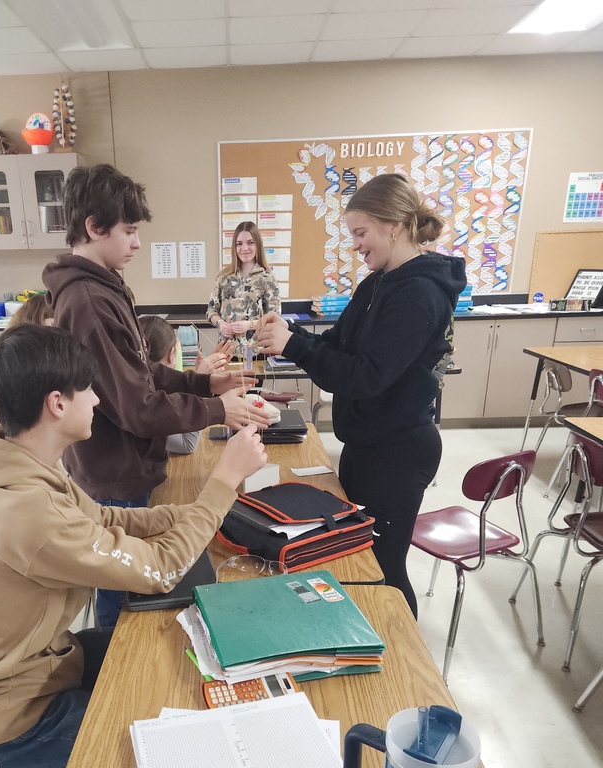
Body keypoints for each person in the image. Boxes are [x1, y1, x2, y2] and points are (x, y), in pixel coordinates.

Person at [0, 322, 266, 768]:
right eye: (89, 390)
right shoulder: (23, 511)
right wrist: (223, 484)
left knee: (171, 659)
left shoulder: (20, 464)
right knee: (169, 749)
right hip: (9, 711)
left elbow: (107, 521)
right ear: (56, 403)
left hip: (30, 665)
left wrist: (197, 512)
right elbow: (161, 570)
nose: (98, 399)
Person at [43, 164, 268, 628]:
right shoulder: (88, 300)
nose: (137, 242)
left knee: (131, 583)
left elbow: (139, 374)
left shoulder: (104, 287)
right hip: (113, 473)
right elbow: (138, 408)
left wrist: (203, 385)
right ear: (93, 226)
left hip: (123, 469)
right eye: (128, 230)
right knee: (124, 600)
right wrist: (216, 409)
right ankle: (111, 667)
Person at [257, 173, 466, 617]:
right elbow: (340, 343)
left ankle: (404, 666)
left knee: (383, 568)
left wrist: (293, 347)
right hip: (366, 443)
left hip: (399, 451)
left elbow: (366, 376)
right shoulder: (377, 283)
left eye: (361, 233)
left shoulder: (419, 294)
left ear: (393, 225)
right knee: (353, 554)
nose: (356, 245)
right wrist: (289, 333)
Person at [139, 314, 233, 455]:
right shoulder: (149, 397)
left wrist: (196, 381)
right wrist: (199, 385)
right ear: (172, 354)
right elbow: (187, 444)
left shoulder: (135, 382)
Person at [206, 220, 282, 352]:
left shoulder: (267, 279)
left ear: (257, 245)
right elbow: (211, 311)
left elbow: (275, 319)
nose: (244, 248)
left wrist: (249, 325)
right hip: (226, 352)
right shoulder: (223, 277)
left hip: (257, 352)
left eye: (250, 243)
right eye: (239, 244)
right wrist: (220, 323)